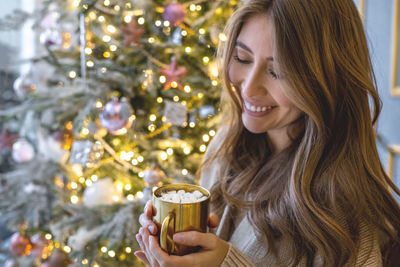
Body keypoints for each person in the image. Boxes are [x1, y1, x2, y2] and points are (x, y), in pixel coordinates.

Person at [135, 0, 400, 266]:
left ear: (327, 79)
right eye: (242, 58)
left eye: (277, 72)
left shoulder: (347, 215)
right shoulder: (224, 148)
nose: (249, 88)